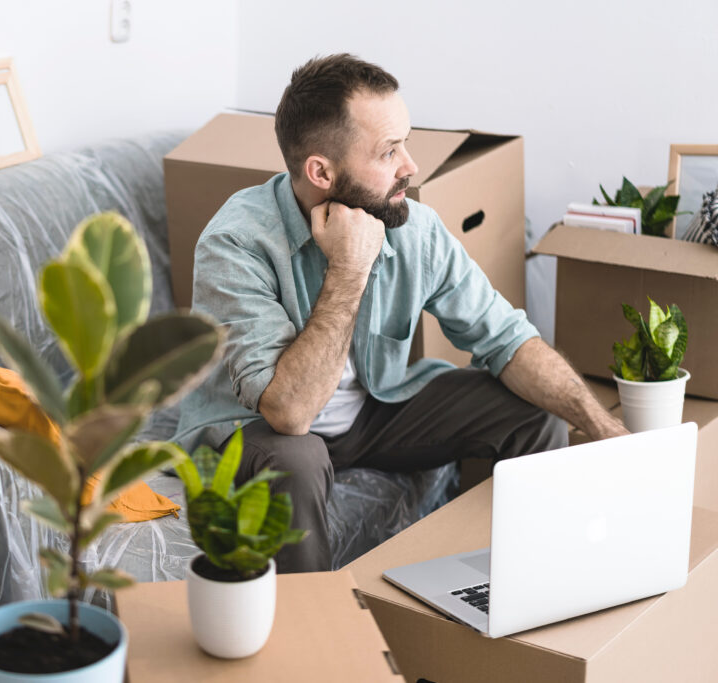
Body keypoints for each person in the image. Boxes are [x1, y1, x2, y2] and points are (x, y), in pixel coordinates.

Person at [172, 54, 628, 573]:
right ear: (321, 171)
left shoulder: (415, 229)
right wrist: (348, 268)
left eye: (405, 144)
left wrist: (602, 428)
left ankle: (535, 580)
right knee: (295, 462)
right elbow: (289, 413)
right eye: (390, 152)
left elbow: (507, 339)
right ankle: (314, 639)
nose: (411, 166)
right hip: (262, 433)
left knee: (536, 409)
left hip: (374, 410)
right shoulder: (235, 244)